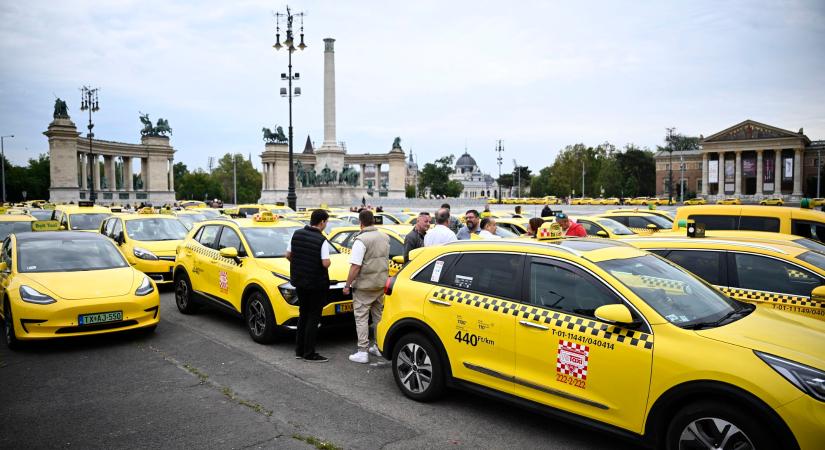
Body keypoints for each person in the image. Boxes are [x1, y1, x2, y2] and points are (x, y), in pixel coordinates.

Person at [343, 210, 390, 364]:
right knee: (378, 317)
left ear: (360, 222)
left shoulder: (361, 240)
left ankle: (362, 351)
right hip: (380, 283)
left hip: (364, 285)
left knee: (361, 317)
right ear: (373, 221)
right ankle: (378, 346)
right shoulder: (384, 237)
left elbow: (355, 266)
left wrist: (347, 284)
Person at [286, 209, 332, 363]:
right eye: (326, 222)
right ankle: (309, 353)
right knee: (313, 317)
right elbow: (325, 263)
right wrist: (328, 262)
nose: (326, 224)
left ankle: (299, 350)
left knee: (303, 314)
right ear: (322, 222)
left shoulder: (296, 234)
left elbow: (288, 255)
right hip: (315, 284)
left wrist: (300, 263)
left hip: (299, 281)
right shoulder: (321, 240)